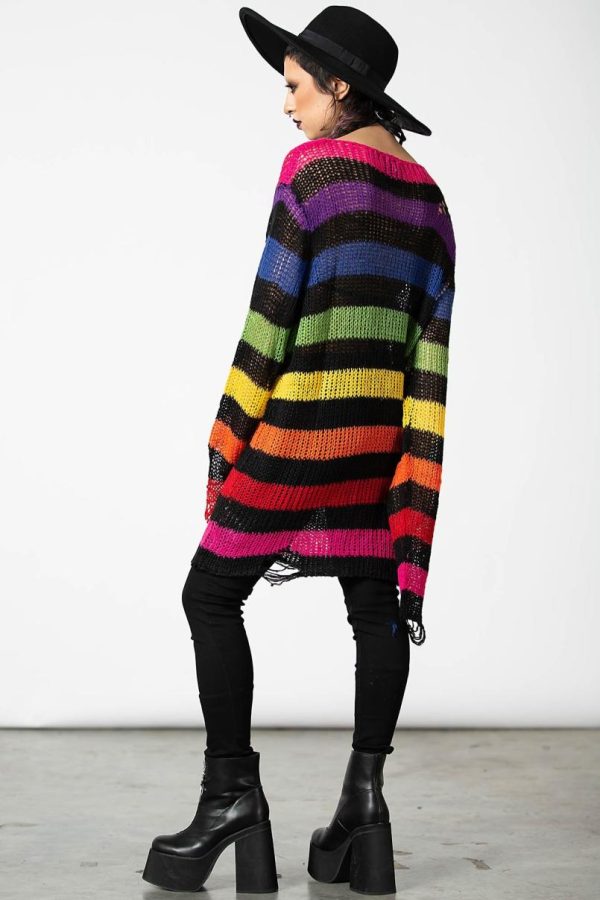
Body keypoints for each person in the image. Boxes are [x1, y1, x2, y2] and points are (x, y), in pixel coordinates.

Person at [142, 5, 456, 895]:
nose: (287, 105)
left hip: (296, 433)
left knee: (209, 593)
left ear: (339, 86)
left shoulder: (312, 173)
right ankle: (365, 806)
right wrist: (406, 467)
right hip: (379, 448)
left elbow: (269, 319)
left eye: (294, 86)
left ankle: (230, 799)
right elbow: (428, 359)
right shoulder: (431, 202)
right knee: (375, 608)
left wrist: (229, 435)